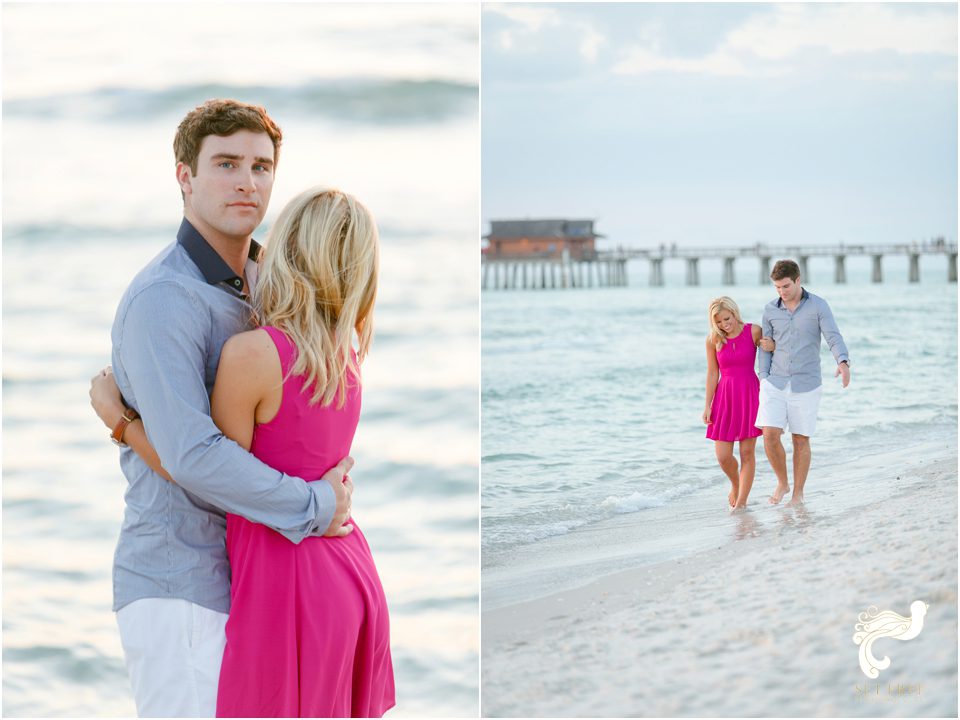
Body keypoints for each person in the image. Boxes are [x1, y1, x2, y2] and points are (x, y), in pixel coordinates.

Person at [88, 99, 355, 717]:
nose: (247, 181)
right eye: (227, 163)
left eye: (261, 167)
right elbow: (195, 456)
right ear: (185, 176)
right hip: (183, 583)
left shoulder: (275, 284)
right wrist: (317, 504)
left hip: (263, 581)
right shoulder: (165, 300)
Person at [756, 259, 850, 506]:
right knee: (769, 435)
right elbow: (765, 346)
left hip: (807, 383)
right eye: (777, 287)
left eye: (786, 286)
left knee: (800, 439)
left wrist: (843, 362)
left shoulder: (818, 306)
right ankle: (782, 482)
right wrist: (762, 376)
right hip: (774, 381)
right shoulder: (770, 310)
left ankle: (798, 493)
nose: (781, 292)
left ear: (798, 280)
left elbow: (833, 336)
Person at [703, 297, 773, 511]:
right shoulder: (713, 339)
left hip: (749, 394)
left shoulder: (753, 331)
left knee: (747, 453)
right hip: (724, 398)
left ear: (735, 313)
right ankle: (736, 483)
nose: (725, 325)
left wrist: (772, 345)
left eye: (727, 318)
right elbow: (713, 372)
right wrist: (707, 405)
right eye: (720, 322)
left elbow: (773, 352)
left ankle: (741, 502)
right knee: (723, 457)